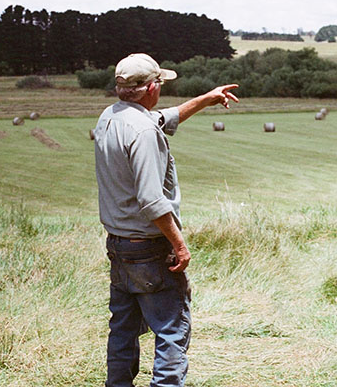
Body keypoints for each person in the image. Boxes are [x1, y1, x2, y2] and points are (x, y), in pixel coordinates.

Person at [94, 53, 238, 387]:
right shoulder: (143, 131)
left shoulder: (110, 117)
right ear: (151, 87)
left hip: (119, 245)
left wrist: (206, 99)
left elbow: (163, 118)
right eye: (159, 82)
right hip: (149, 248)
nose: (161, 88)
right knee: (172, 332)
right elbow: (151, 200)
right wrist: (179, 244)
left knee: (123, 330)